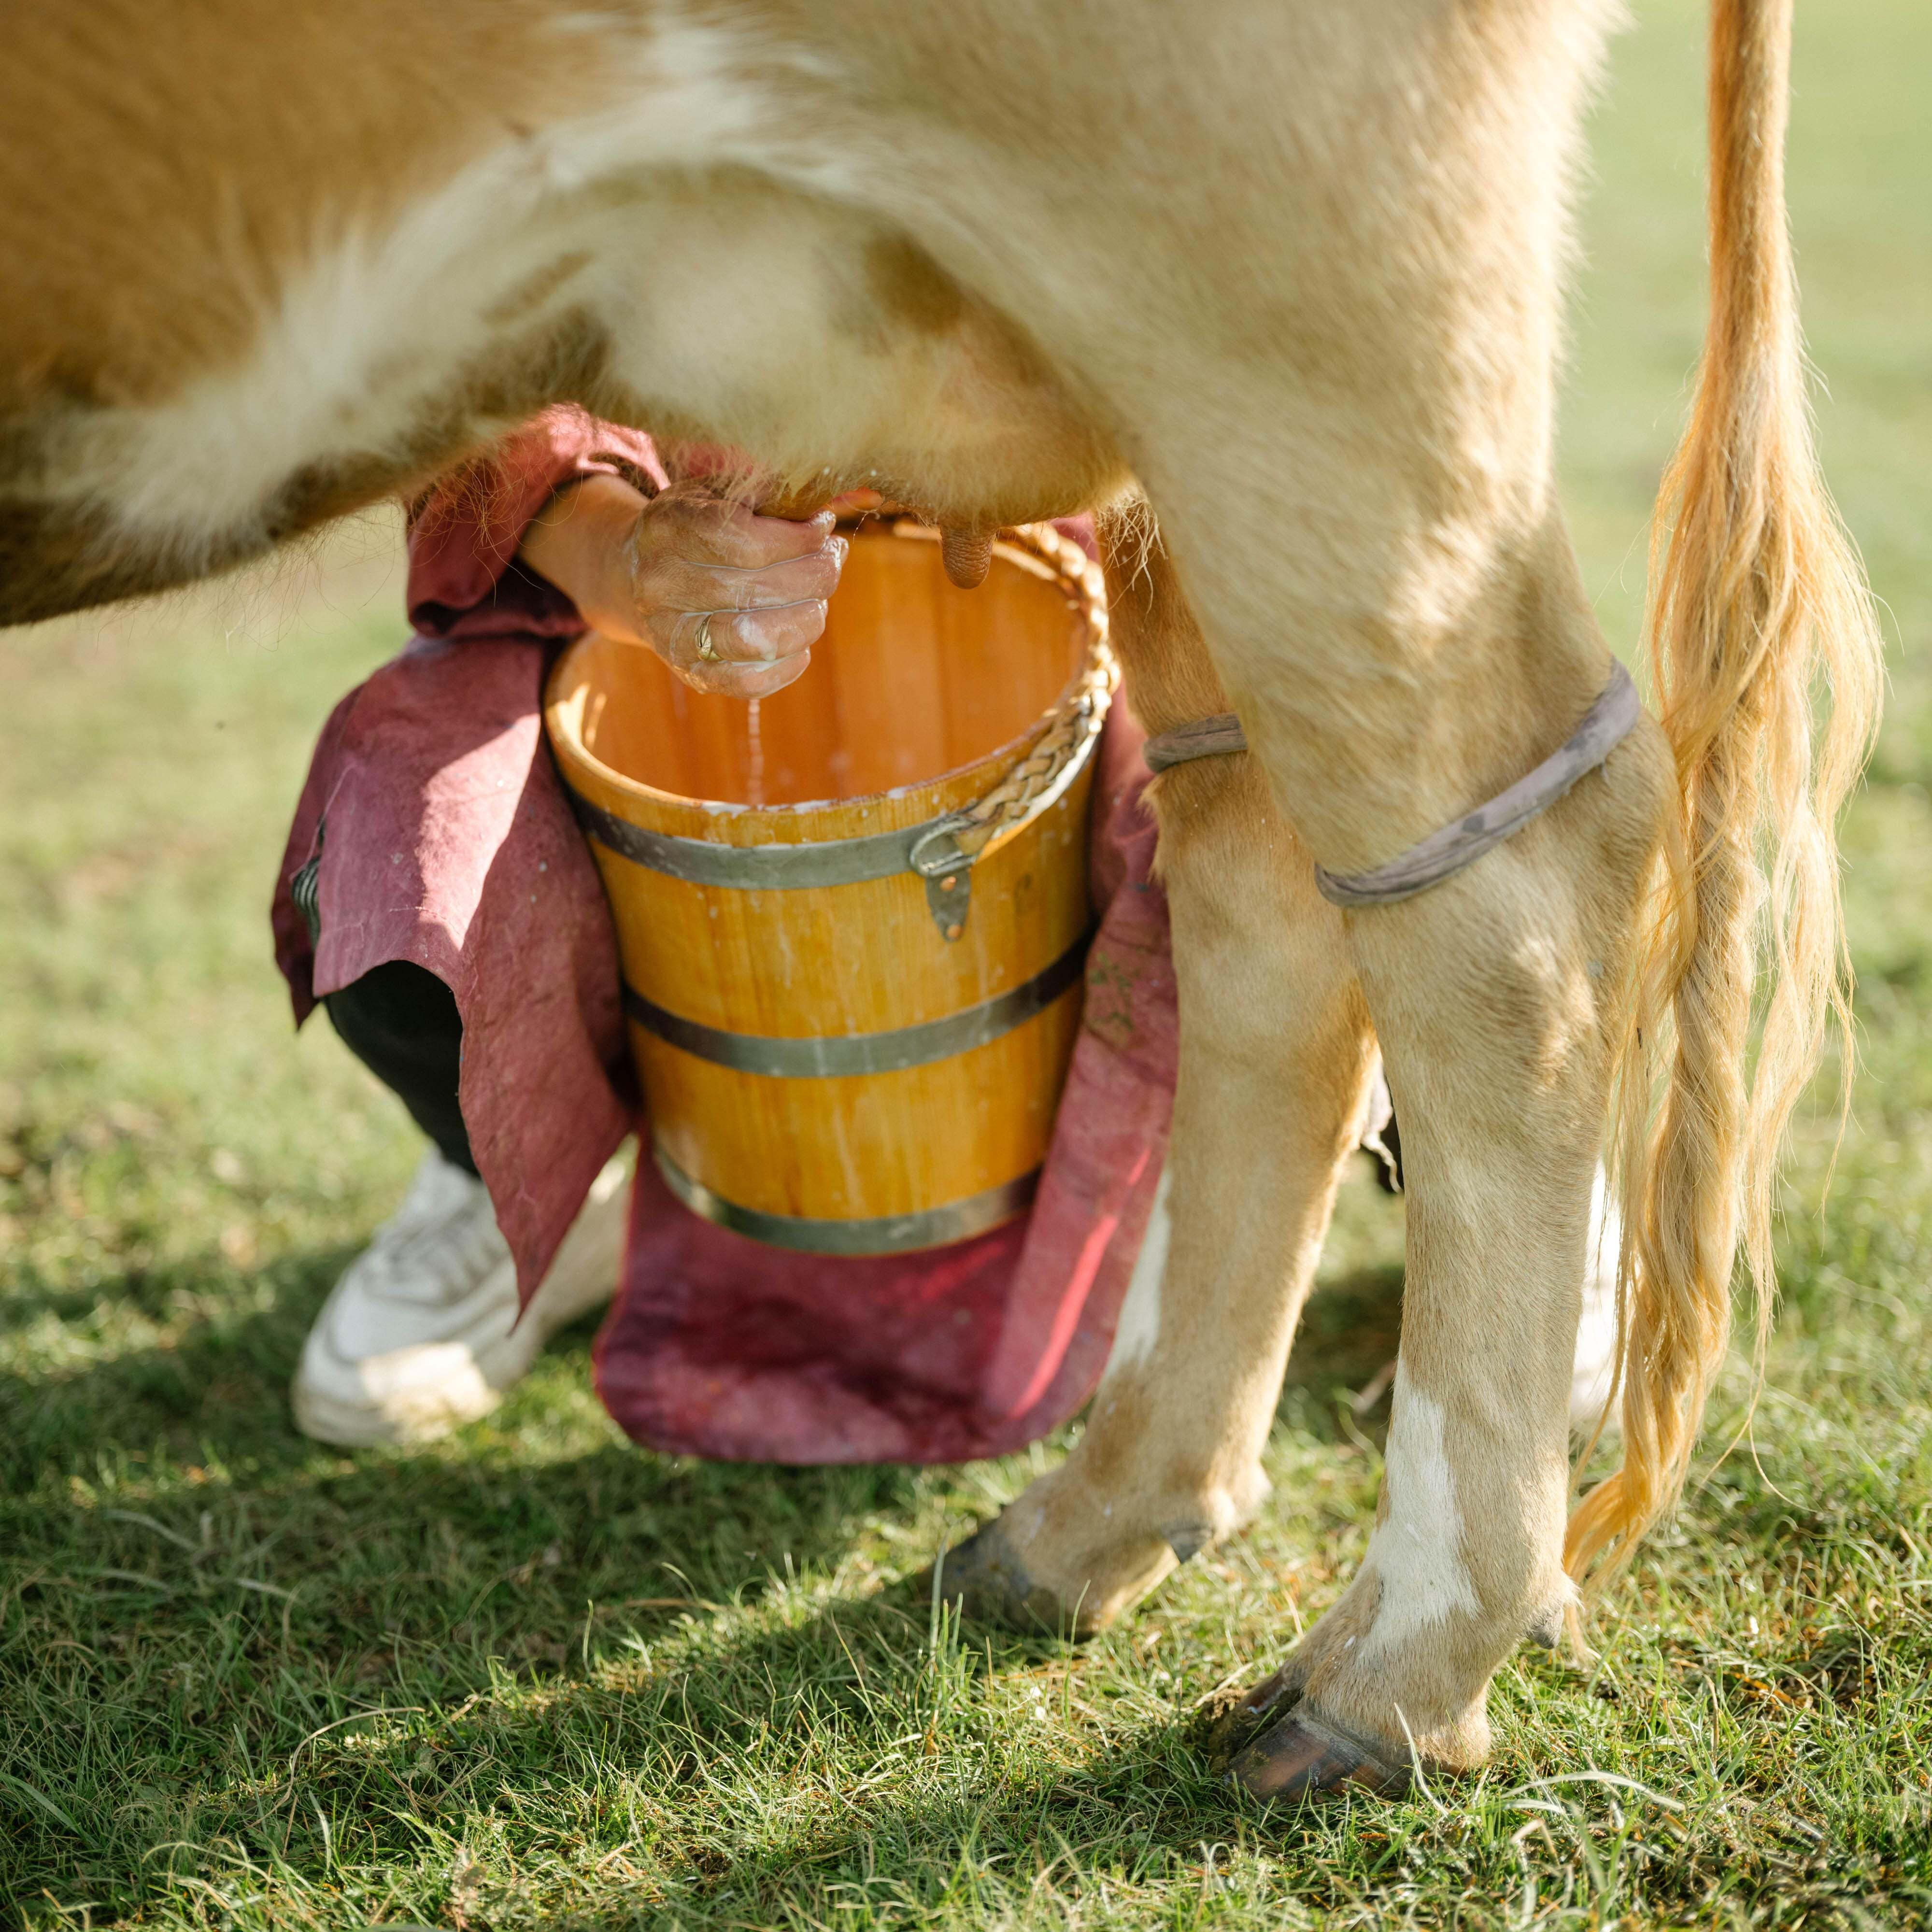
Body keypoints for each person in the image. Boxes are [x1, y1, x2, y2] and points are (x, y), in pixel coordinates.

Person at [273, 409, 1620, 1457]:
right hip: (618, 574)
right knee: (407, 829)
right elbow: (469, 326)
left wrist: (1009, 446)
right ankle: (509, 1180)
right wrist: (607, 538)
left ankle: (1476, 1170)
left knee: (1297, 809)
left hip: (1054, 527)